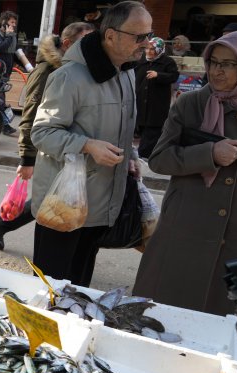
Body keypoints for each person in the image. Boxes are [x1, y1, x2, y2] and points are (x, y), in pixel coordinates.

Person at [134, 30, 237, 316]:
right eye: (213, 62)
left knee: (218, 329)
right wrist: (208, 154)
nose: (216, 71)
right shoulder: (191, 103)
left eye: (229, 64)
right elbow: (159, 159)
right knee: (161, 318)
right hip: (183, 229)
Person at [30, 1, 151, 287]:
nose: (146, 44)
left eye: (149, 35)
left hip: (100, 204)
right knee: (50, 290)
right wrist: (87, 146)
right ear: (111, 36)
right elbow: (42, 133)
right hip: (64, 205)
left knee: (78, 288)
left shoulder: (127, 72)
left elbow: (122, 128)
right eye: (139, 36)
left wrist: (131, 154)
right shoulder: (69, 76)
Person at [0, 22, 95, 250]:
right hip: (50, 148)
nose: (91, 46)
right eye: (85, 41)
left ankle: (2, 223)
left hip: (69, 149)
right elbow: (30, 114)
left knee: (55, 199)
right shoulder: (47, 70)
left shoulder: (80, 70)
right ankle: (3, 223)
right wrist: (27, 159)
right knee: (52, 201)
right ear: (67, 44)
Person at [135, 37, 179, 159]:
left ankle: (145, 155)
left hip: (157, 103)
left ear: (160, 49)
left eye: (153, 49)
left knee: (153, 129)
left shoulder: (167, 62)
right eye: (148, 48)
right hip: (140, 102)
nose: (149, 51)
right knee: (142, 128)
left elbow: (174, 76)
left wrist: (158, 75)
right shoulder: (140, 60)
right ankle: (145, 153)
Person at [0, 11, 19, 135]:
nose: (14, 25)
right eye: (11, 22)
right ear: (4, 22)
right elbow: (0, 47)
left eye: (15, 23)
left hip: (4, 71)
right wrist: (9, 35)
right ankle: (4, 125)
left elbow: (11, 51)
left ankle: (0, 123)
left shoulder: (7, 34)